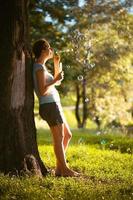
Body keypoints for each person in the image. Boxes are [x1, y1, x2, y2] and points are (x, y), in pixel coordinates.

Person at [32, 38, 79, 177]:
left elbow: (55, 83)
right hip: (49, 105)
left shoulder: (42, 67)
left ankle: (60, 168)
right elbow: (42, 91)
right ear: (43, 50)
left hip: (54, 104)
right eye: (49, 48)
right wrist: (55, 80)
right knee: (59, 137)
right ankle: (63, 169)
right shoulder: (38, 67)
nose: (51, 50)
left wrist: (56, 64)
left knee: (67, 135)